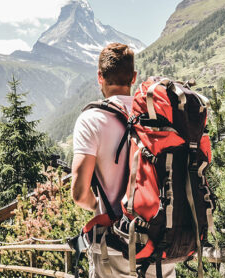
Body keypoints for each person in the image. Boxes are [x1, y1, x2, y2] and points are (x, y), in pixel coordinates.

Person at [70, 43, 176, 278]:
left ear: (100, 77)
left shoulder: (91, 119)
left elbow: (79, 193)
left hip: (116, 246)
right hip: (162, 244)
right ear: (134, 77)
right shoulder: (157, 116)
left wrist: (96, 203)